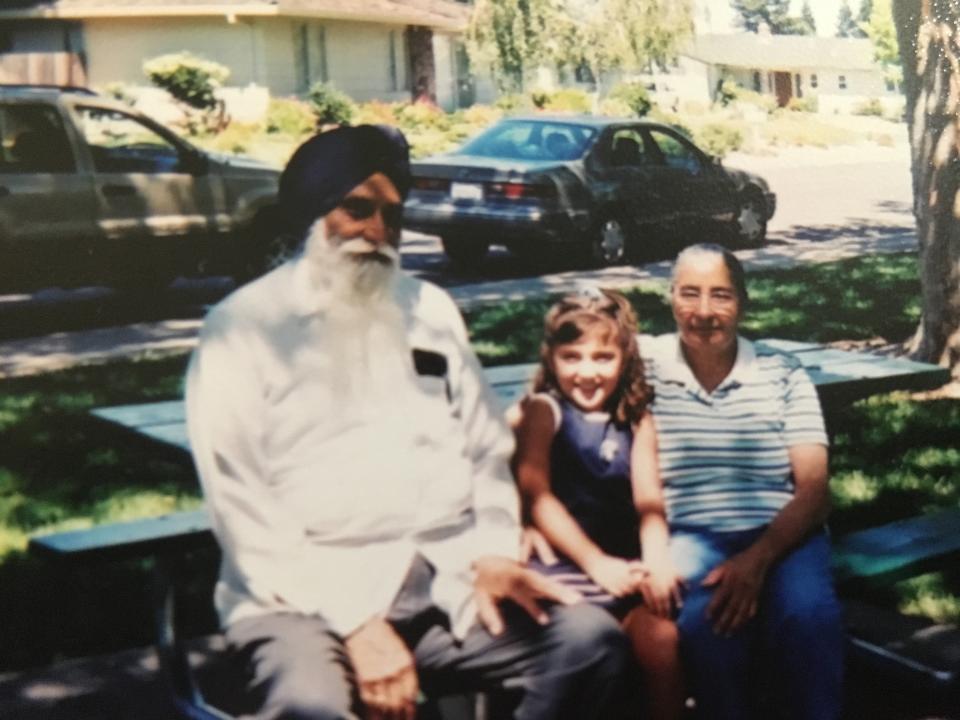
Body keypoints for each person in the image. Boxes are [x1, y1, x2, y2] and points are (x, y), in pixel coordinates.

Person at [185, 124, 634, 720]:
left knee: (588, 644)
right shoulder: (242, 329)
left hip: (448, 580)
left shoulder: (430, 312)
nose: (377, 233)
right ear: (314, 215)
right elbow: (243, 514)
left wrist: (498, 552)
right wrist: (357, 627)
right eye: (357, 209)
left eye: (392, 216)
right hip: (299, 597)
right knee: (310, 705)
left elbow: (486, 452)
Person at [636, 243, 844, 720]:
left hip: (783, 535)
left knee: (808, 617)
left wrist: (757, 560)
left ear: (743, 303)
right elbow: (568, 360)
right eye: (690, 294)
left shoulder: (782, 373)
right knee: (707, 624)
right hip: (692, 533)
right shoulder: (645, 367)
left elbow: (813, 490)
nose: (704, 312)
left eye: (721, 296)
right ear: (670, 298)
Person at [512, 288, 686, 720]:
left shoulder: (637, 419)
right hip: (566, 579)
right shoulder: (543, 410)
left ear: (625, 357)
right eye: (572, 357)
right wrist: (594, 564)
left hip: (625, 577)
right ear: (551, 358)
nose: (586, 373)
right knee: (591, 653)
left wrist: (658, 560)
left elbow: (649, 500)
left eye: (602, 358)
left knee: (662, 640)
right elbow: (537, 494)